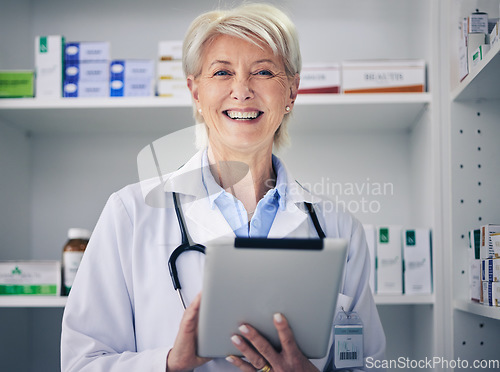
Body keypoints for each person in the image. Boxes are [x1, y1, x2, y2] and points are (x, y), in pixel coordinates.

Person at [60, 3, 386, 372]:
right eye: (222, 72)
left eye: (263, 71)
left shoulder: (339, 228)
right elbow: (81, 363)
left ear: (292, 91)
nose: (242, 90)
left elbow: (365, 362)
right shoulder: (131, 213)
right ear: (195, 92)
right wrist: (168, 363)